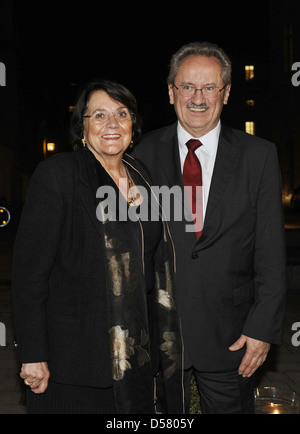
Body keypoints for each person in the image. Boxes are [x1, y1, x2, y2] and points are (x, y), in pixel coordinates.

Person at [12, 79, 184, 414]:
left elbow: (152, 264)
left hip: (136, 359)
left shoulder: (142, 176)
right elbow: (29, 276)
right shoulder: (58, 176)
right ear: (82, 127)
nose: (112, 124)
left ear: (133, 125)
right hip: (72, 365)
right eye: (99, 115)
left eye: (121, 114)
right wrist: (33, 355)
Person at [132, 42, 287, 414]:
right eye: (187, 87)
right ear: (171, 93)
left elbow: (270, 251)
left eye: (209, 87)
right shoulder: (141, 155)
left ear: (227, 92)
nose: (197, 98)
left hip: (232, 336)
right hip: (158, 337)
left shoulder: (259, 156)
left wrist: (263, 329)